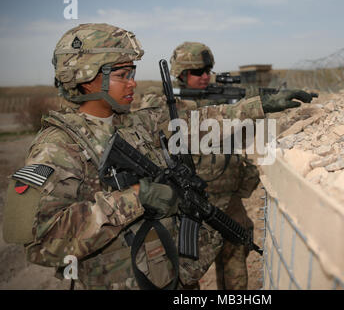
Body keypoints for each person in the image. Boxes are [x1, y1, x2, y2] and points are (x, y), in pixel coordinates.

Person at [2, 24, 223, 290]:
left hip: (169, 277)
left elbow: (203, 120)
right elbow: (40, 243)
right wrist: (137, 198)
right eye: (122, 74)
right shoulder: (54, 147)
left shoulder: (135, 123)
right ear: (85, 76)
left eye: (133, 72)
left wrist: (263, 106)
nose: (133, 82)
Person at [131, 42, 313, 289]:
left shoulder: (221, 97)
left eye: (208, 70)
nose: (205, 76)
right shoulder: (164, 103)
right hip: (188, 200)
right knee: (184, 268)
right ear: (181, 74)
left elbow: (239, 129)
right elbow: (184, 126)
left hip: (228, 197)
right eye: (197, 71)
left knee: (236, 257)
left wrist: (259, 104)